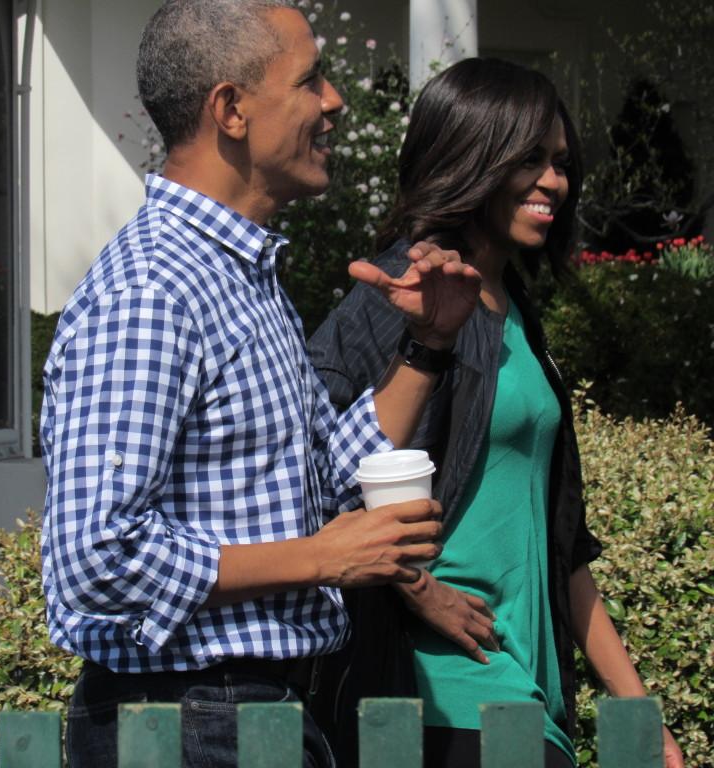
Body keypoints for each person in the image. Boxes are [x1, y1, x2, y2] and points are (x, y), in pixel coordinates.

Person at [38, 2, 483, 766]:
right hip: (184, 724)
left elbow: (324, 480)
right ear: (231, 110)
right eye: (310, 80)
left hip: (245, 716)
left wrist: (427, 346)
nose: (335, 100)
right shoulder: (152, 289)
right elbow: (95, 557)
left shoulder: (236, 276)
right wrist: (320, 558)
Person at [308, 57, 685, 768]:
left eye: (561, 163)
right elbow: (303, 471)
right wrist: (418, 589)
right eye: (531, 159)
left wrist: (641, 715)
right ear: (472, 155)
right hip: (437, 688)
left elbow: (564, 546)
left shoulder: (516, 314)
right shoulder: (404, 291)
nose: (555, 182)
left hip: (524, 687)